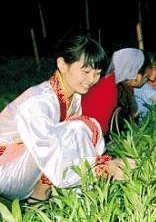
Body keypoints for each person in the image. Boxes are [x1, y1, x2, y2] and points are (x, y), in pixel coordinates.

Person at [0, 35, 133, 202]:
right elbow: (52, 151)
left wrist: (104, 162)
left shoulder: (74, 97)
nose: (92, 79)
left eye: (97, 73)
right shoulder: (37, 101)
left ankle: (64, 197)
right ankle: (43, 196)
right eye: (86, 71)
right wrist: (101, 168)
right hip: (7, 170)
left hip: (29, 164)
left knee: (80, 129)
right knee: (77, 128)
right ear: (62, 65)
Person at [82, 48, 145, 135]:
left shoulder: (125, 85)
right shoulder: (108, 87)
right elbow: (98, 127)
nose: (145, 80)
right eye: (145, 76)